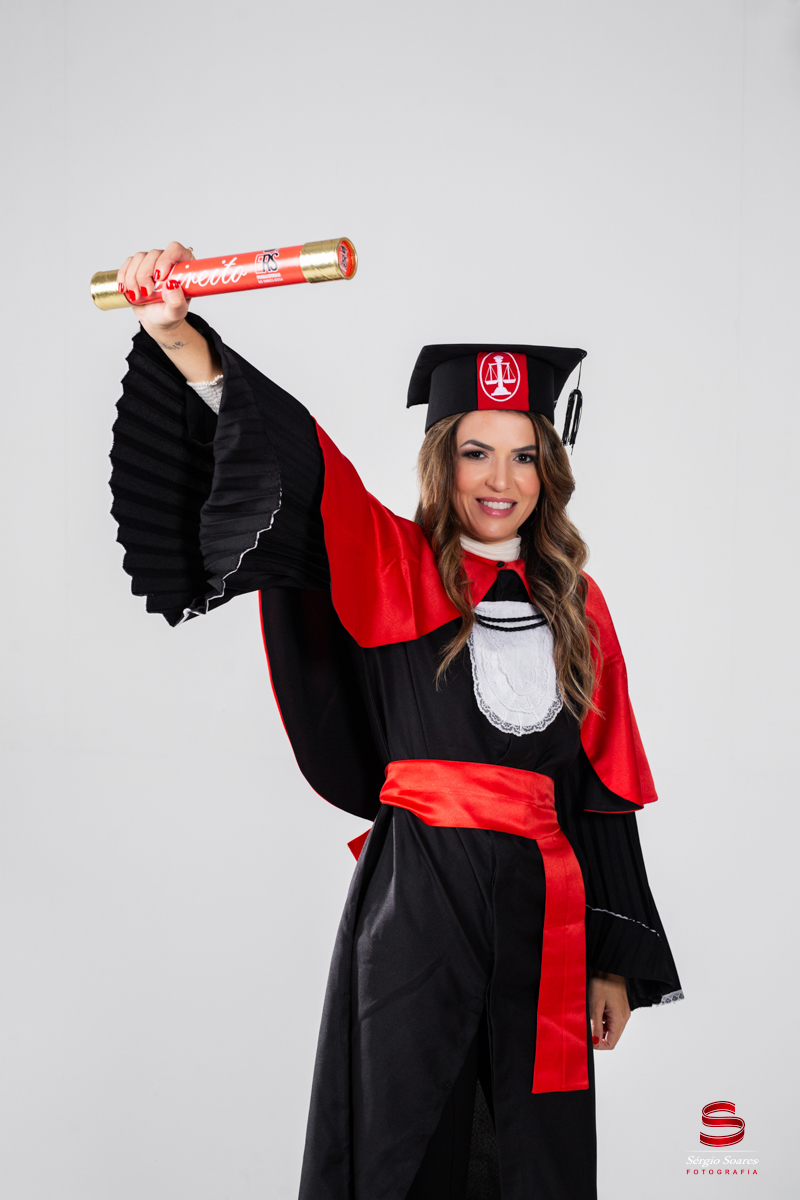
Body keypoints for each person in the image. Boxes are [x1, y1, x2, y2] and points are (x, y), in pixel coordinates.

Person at [109, 242, 682, 1200]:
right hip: (419, 899)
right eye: (474, 452)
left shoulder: (581, 609)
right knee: (399, 1139)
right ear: (440, 458)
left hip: (545, 910)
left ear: (550, 469)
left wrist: (614, 965)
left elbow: (603, 789)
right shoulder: (393, 563)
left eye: (525, 455)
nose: (500, 479)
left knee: (531, 1150)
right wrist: (178, 336)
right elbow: (298, 462)